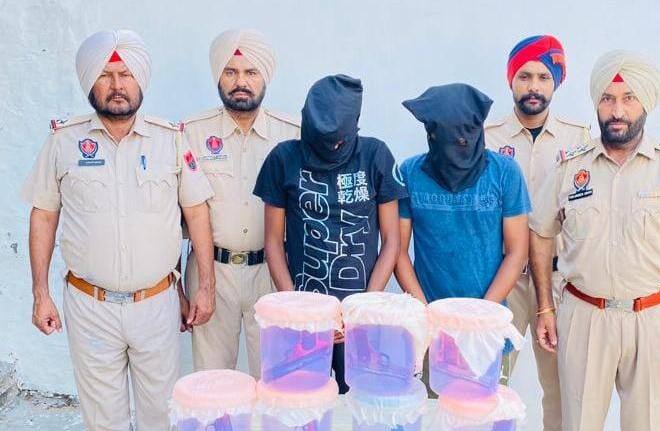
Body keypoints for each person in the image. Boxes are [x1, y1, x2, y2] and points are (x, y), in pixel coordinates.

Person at [21, 30, 215, 431]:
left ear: (140, 80)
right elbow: (44, 215)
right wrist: (40, 292)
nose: (116, 85)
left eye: (125, 74)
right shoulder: (63, 142)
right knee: (103, 418)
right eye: (106, 76)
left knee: (160, 414)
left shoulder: (170, 140)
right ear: (90, 82)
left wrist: (204, 286)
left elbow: (196, 212)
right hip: (90, 306)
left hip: (156, 303)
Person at [530, 50, 660, 431]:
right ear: (596, 103)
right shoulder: (570, 166)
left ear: (645, 103)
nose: (617, 110)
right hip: (584, 316)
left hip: (654, 322)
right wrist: (545, 308)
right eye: (608, 99)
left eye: (628, 98)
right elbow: (540, 235)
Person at [254, 74, 406, 393]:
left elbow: (392, 241)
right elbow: (273, 242)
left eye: (338, 142)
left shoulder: (375, 156)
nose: (330, 149)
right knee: (304, 405)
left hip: (360, 317)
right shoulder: (283, 159)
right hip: (303, 322)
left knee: (359, 402)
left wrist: (361, 311)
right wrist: (299, 313)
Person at [484, 34, 590, 431]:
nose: (534, 86)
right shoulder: (487, 137)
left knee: (559, 386)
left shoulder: (578, 139)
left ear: (556, 83)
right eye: (524, 75)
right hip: (501, 279)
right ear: (511, 80)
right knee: (490, 380)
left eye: (543, 77)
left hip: (557, 283)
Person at [394, 83, 531, 391]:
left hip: (487, 328)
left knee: (482, 414)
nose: (456, 150)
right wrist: (427, 314)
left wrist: (480, 317)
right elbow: (398, 251)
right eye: (447, 142)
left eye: (463, 140)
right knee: (432, 414)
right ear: (431, 135)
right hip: (431, 330)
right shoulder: (410, 173)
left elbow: (517, 252)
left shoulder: (504, 173)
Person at [182, 29, 300, 376]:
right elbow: (171, 212)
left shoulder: (292, 133)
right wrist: (177, 286)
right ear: (218, 76)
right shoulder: (191, 133)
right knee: (213, 380)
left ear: (265, 77)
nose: (241, 82)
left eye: (251, 72)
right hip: (211, 271)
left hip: (273, 271)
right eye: (230, 72)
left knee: (276, 379)